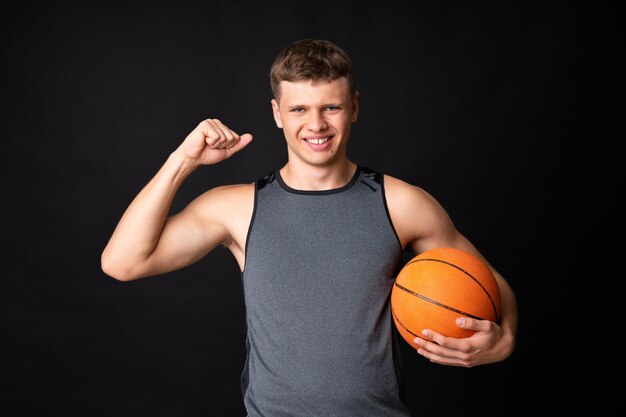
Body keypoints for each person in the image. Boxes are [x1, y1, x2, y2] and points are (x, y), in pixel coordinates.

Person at [101, 38, 517, 416]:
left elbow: (491, 285)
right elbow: (122, 263)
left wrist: (505, 339)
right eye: (299, 108)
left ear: (353, 107)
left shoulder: (402, 203)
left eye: (330, 107)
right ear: (277, 113)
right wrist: (182, 161)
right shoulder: (238, 207)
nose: (315, 125)